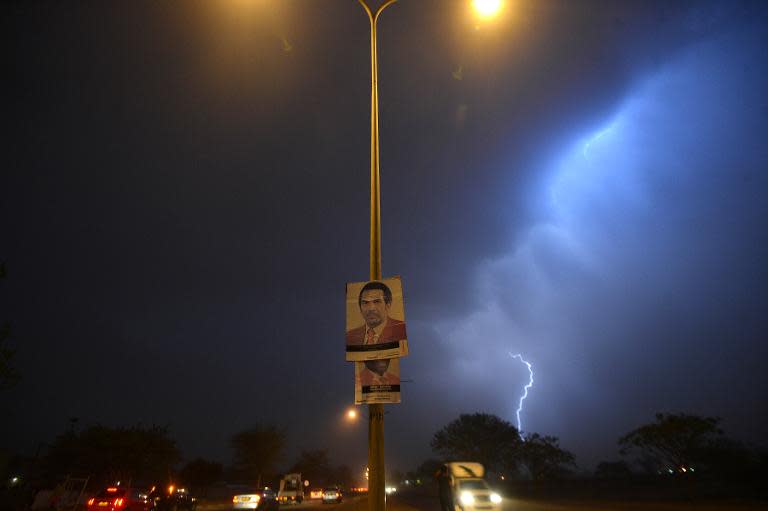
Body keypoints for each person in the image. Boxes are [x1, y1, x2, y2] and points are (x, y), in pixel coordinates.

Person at [346, 281, 406, 347]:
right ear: (360, 308)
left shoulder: (401, 331)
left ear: (388, 305)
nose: (371, 308)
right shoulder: (350, 336)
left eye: (377, 301)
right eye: (365, 303)